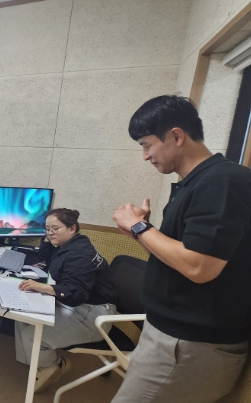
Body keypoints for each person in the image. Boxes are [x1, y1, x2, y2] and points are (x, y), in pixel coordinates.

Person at [111, 95, 251, 403]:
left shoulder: (222, 181)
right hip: (172, 337)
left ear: (176, 136)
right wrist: (140, 232)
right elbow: (179, 257)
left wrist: (140, 227)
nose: (145, 156)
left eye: (147, 145)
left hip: (188, 344)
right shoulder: (196, 183)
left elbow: (199, 268)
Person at [15, 208, 118, 393]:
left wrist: (41, 287)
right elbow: (48, 258)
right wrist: (49, 238)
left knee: (31, 335)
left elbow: (76, 294)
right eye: (47, 229)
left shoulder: (80, 255)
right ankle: (36, 363)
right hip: (82, 304)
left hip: (93, 315)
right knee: (22, 315)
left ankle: (54, 364)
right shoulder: (72, 245)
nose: (50, 233)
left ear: (72, 228)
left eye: (55, 228)